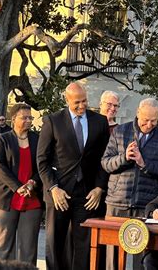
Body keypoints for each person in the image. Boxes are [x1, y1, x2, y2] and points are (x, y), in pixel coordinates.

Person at [37, 82, 110, 270]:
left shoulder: (100, 122)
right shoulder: (52, 121)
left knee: (84, 244)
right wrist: (53, 188)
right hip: (59, 194)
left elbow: (105, 159)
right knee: (56, 244)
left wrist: (99, 188)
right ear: (66, 100)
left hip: (87, 195)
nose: (81, 105)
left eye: (84, 101)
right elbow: (42, 160)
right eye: (77, 102)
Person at [101, 98, 158, 270]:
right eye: (145, 120)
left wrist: (144, 163)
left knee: (142, 254)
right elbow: (105, 163)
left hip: (146, 203)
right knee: (113, 256)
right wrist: (124, 158)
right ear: (137, 113)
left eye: (154, 121)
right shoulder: (120, 131)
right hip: (117, 201)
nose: (149, 124)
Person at [0, 104, 43, 266]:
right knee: (3, 245)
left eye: (30, 117)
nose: (28, 120)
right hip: (5, 197)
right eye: (24, 117)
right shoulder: (3, 139)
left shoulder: (37, 139)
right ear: (13, 119)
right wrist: (18, 187)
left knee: (28, 246)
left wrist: (33, 182)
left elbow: (43, 164)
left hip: (32, 197)